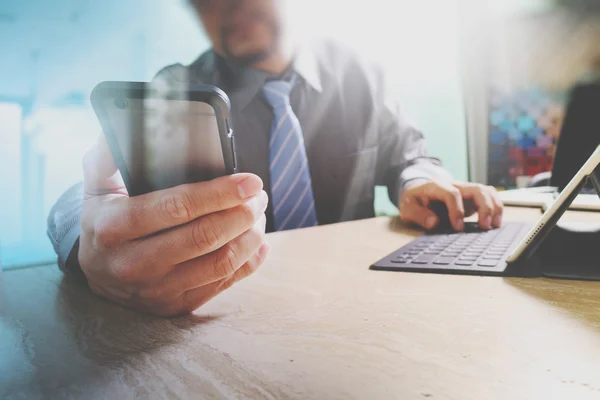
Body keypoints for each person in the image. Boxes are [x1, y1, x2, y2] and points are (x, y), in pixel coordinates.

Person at [47, 0, 503, 316]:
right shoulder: (179, 90)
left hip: (365, 300)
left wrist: (419, 181)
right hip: (232, 314)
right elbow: (90, 195)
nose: (228, 5)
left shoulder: (360, 73)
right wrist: (90, 241)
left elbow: (410, 155)